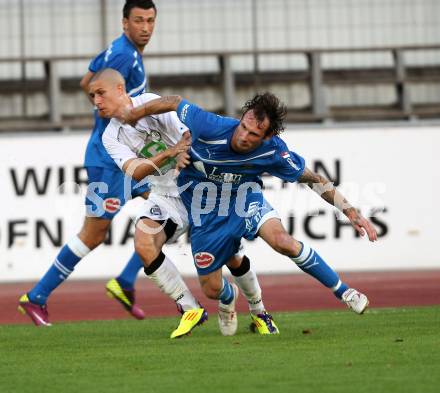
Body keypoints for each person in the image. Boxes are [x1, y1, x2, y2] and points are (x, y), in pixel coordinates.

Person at [120, 92, 378, 331]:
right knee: (212, 290)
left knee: (283, 241)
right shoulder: (210, 126)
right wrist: (135, 114)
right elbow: (174, 101)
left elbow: (313, 179)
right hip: (206, 213)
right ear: (241, 118)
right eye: (243, 126)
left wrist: (352, 213)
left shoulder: (274, 151)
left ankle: (345, 292)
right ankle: (229, 297)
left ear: (267, 136)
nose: (244, 136)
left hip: (244, 200)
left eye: (254, 134)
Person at [95, 68, 277, 336]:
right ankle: (190, 307)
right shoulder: (109, 136)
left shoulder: (151, 103)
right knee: (145, 242)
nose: (96, 101)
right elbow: (135, 170)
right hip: (167, 195)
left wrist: (184, 153)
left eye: (101, 93)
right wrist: (171, 153)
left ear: (120, 89)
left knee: (233, 259)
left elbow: (190, 132)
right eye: (92, 96)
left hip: (205, 188)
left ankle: (259, 311)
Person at [18, 0, 158, 326]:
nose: (145, 27)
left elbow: (86, 82)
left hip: (128, 155)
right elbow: (97, 89)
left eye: (150, 20)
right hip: (110, 162)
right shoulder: (125, 56)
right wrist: (113, 119)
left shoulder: (119, 50)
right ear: (125, 23)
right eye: (138, 20)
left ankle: (125, 281)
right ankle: (37, 296)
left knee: (174, 207)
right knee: (93, 234)